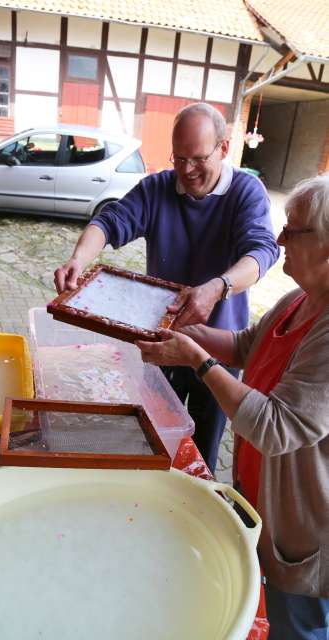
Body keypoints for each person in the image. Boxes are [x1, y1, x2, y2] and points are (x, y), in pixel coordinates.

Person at [136, 174, 329, 638]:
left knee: (296, 626)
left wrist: (196, 360)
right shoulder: (298, 300)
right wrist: (191, 334)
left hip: (304, 527)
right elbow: (246, 346)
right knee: (264, 607)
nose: (279, 239)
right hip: (266, 501)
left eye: (293, 230)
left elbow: (275, 426)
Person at [54, 102, 279, 473]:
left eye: (198, 158)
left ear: (223, 149)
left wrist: (219, 287)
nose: (187, 170)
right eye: (179, 158)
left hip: (217, 347)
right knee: (154, 436)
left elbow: (262, 251)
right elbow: (109, 222)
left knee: (204, 448)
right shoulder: (157, 187)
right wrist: (79, 258)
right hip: (161, 342)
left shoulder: (246, 192)